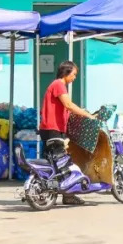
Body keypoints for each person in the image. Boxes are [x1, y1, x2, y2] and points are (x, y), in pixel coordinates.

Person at [39, 61, 96, 205]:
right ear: (66, 73)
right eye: (74, 74)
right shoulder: (59, 85)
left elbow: (64, 108)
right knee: (63, 163)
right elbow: (69, 105)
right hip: (53, 129)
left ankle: (60, 194)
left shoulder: (55, 85)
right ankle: (68, 195)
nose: (75, 77)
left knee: (54, 164)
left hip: (50, 128)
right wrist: (87, 115)